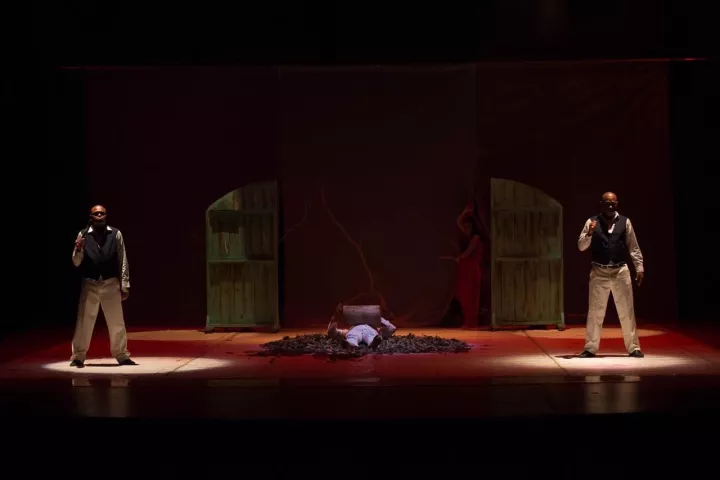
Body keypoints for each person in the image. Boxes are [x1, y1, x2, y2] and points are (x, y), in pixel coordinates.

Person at [577, 192, 645, 358]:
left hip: (620, 270)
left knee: (626, 310)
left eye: (613, 202)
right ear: (601, 203)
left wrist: (639, 267)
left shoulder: (625, 222)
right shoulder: (591, 222)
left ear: (617, 204)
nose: (610, 205)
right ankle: (590, 348)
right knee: (595, 311)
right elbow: (581, 246)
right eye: (607, 202)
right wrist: (590, 233)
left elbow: (633, 246)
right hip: (599, 271)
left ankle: (633, 347)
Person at [70, 205, 137, 368]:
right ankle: (78, 356)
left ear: (106, 215)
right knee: (84, 322)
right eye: (96, 213)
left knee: (116, 321)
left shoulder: (115, 233)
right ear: (91, 217)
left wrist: (125, 284)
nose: (99, 215)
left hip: (110, 282)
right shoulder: (83, 234)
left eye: (102, 213)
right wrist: (78, 248)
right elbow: (76, 262)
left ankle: (121, 355)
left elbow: (122, 259)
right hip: (90, 283)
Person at [454, 204, 484, 328]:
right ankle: (467, 321)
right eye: (465, 227)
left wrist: (459, 258)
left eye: (468, 227)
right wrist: (464, 212)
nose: (465, 229)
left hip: (472, 269)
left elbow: (469, 251)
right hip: (465, 269)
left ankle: (472, 322)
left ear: (473, 227)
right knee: (464, 296)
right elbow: (458, 222)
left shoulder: (476, 238)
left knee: (471, 296)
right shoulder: (468, 236)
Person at [327, 303, 397, 349]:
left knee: (371, 337)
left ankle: (373, 343)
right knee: (352, 336)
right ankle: (349, 344)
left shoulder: (377, 329)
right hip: (355, 330)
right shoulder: (349, 329)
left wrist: (378, 318)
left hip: (370, 330)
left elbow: (392, 328)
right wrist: (335, 317)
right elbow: (332, 333)